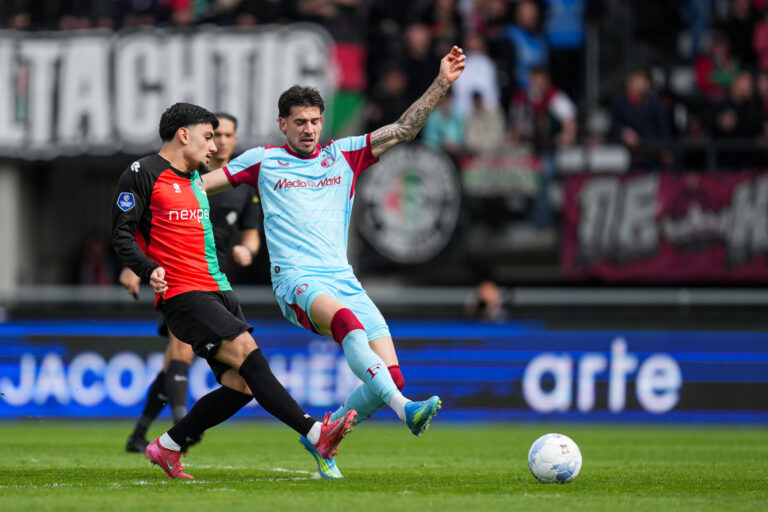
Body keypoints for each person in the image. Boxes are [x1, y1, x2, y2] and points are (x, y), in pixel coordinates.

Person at [201, 45, 467, 469]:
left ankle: (323, 437)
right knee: (347, 324)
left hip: (342, 278)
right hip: (295, 280)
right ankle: (406, 411)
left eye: (315, 121)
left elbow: (404, 128)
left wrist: (441, 82)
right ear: (283, 124)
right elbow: (199, 187)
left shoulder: (343, 155)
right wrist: (152, 183)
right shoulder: (263, 160)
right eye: (300, 122)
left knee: (390, 376)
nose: (308, 129)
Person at [111, 103, 357, 480]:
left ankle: (168, 445)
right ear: (184, 135)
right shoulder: (142, 173)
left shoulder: (198, 178)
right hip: (183, 293)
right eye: (209, 137)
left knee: (241, 385)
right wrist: (147, 269)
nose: (215, 146)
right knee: (247, 353)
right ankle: (315, 433)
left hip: (220, 288)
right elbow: (122, 233)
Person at [123, 112, 262, 454]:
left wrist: (247, 250)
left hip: (216, 280)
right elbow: (145, 223)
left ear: (235, 139)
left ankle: (141, 433)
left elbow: (251, 235)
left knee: (175, 361)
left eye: (228, 135)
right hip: (178, 278)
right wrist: (134, 267)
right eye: (216, 134)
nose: (221, 141)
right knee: (180, 349)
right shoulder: (185, 173)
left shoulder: (240, 187)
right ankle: (180, 430)